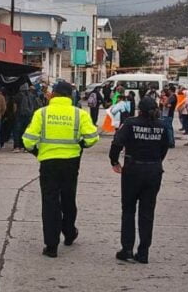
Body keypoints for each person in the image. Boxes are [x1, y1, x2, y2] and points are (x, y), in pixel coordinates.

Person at [22, 81, 99, 258]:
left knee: (50, 203)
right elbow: (92, 138)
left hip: (48, 163)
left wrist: (39, 152)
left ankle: (51, 246)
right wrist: (80, 145)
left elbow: (27, 141)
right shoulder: (79, 114)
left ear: (54, 94)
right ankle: (69, 233)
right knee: (68, 199)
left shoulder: (42, 113)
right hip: (71, 163)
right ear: (70, 96)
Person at [110, 96, 170, 264]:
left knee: (128, 210)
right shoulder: (162, 125)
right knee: (147, 212)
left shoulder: (130, 123)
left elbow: (116, 143)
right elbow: (165, 147)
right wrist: (156, 162)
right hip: (153, 170)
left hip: (133, 169)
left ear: (139, 109)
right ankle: (143, 252)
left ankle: (127, 249)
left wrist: (114, 161)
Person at [13, 84, 36, 152]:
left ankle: (17, 147)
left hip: (19, 115)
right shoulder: (32, 96)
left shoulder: (18, 95)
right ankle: (25, 147)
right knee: (26, 131)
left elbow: (15, 107)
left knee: (17, 131)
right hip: (28, 115)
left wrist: (14, 114)